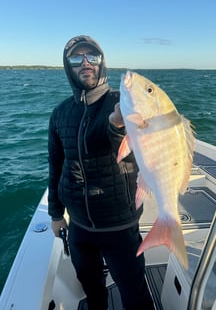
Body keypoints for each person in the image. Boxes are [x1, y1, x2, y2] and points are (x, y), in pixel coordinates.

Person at [48, 35, 155, 310]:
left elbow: (111, 138)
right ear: (67, 66)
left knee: (134, 291)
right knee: (91, 288)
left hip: (119, 224)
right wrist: (56, 214)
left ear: (101, 63)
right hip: (79, 226)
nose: (85, 63)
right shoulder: (59, 114)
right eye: (76, 58)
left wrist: (118, 123)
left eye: (92, 57)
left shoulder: (122, 102)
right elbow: (55, 164)